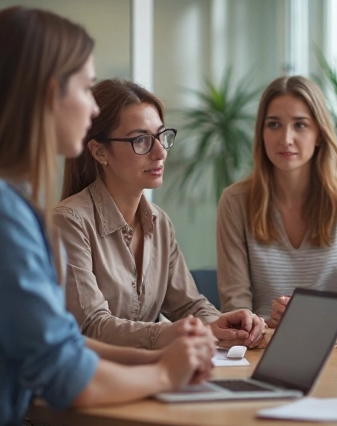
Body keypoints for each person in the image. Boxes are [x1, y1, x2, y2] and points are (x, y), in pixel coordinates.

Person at [0, 6, 220, 426]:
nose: (91, 108)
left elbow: (65, 342)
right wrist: (166, 372)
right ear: (49, 94)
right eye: (85, 89)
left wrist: (159, 359)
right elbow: (68, 379)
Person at [56, 78, 266, 350]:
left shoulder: (159, 222)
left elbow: (189, 305)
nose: (159, 152)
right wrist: (167, 333)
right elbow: (92, 326)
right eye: (141, 140)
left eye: (161, 136)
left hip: (150, 375)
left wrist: (225, 324)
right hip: (96, 383)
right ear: (99, 151)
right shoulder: (69, 222)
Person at [216, 75, 337, 329]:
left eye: (300, 125)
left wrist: (318, 322)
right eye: (274, 125)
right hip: (261, 350)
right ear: (261, 133)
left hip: (334, 352)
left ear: (319, 133)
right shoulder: (235, 202)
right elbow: (237, 309)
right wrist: (266, 324)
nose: (286, 138)